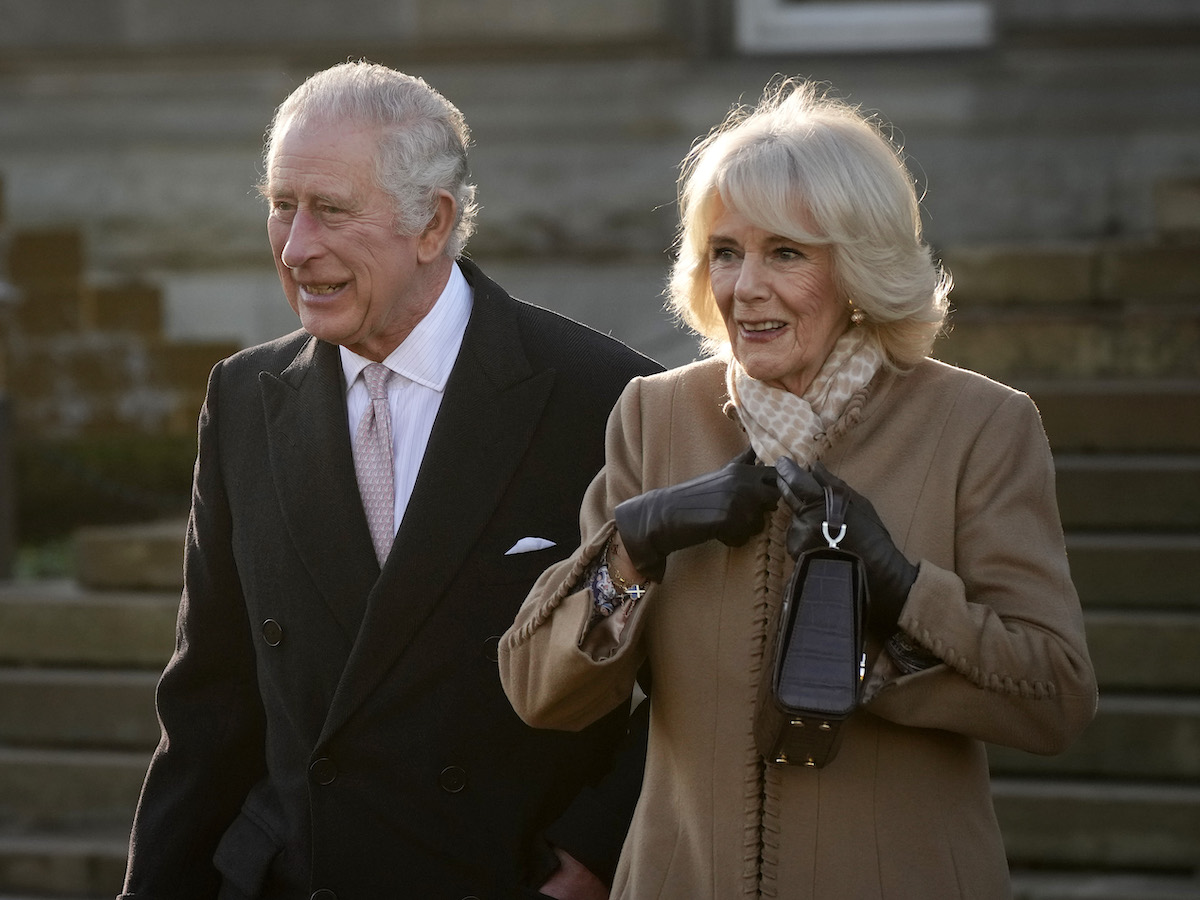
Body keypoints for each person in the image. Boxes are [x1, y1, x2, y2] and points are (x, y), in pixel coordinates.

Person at [499, 78, 1098, 899]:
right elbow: (539, 691)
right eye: (724, 251)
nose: (745, 287)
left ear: (859, 268)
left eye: (787, 252)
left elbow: (1055, 698)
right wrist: (635, 542)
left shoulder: (979, 425)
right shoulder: (654, 415)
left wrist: (907, 591)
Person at [119, 61, 661, 900]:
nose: (296, 248)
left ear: (432, 223)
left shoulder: (608, 399)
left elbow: (688, 686)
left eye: (331, 210)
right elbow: (208, 703)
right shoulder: (241, 399)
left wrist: (589, 859)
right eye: (280, 205)